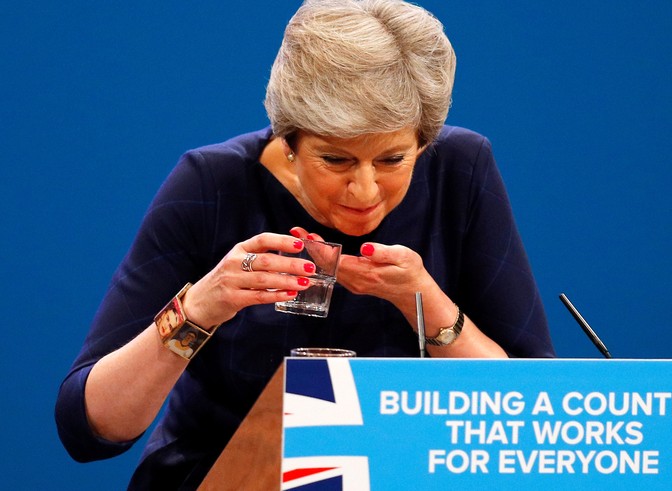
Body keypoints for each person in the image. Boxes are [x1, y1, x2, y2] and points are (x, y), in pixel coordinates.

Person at [55, 0, 555, 488]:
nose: (364, 191)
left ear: (425, 142)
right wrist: (199, 310)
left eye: (392, 160)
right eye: (335, 161)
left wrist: (424, 301)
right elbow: (90, 429)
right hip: (223, 472)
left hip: (408, 474)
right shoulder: (213, 183)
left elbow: (532, 413)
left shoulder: (461, 169)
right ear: (289, 141)